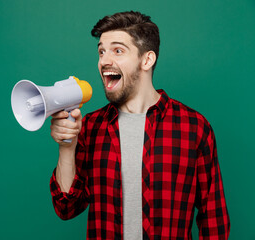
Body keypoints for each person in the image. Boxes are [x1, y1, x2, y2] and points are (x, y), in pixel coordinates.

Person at [49, 11, 230, 240]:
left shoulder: (194, 128)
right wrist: (67, 146)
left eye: (118, 50)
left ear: (147, 60)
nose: (104, 60)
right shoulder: (90, 127)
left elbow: (213, 221)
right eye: (101, 51)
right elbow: (66, 208)